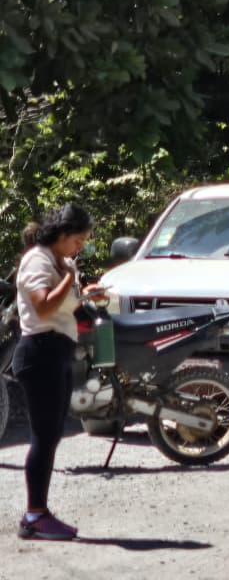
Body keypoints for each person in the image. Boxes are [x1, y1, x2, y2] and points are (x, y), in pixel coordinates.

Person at [13, 205, 97, 541]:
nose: (80, 247)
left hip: (58, 351)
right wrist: (68, 279)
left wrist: (85, 293)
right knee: (43, 438)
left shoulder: (62, 261)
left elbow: (65, 309)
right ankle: (34, 516)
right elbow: (44, 306)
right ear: (62, 235)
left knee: (51, 437)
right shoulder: (38, 259)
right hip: (40, 353)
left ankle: (39, 512)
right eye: (77, 240)